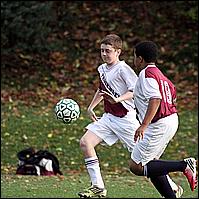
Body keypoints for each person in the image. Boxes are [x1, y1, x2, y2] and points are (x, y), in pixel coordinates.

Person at [78, 34, 182, 198]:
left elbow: (134, 91)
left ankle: (172, 187)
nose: (104, 54)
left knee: (143, 162)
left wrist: (118, 99)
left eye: (108, 51)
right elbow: (102, 89)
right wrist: (91, 107)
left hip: (126, 119)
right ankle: (97, 186)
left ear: (118, 52)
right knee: (85, 142)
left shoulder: (125, 69)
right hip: (108, 117)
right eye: (102, 51)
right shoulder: (102, 69)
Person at [128, 40, 197, 198]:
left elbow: (155, 98)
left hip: (159, 123)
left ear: (140, 59)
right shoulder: (160, 75)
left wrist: (144, 125)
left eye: (134, 56)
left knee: (137, 166)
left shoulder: (147, 73)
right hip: (169, 119)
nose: (133, 60)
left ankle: (184, 165)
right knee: (153, 165)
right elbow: (171, 93)